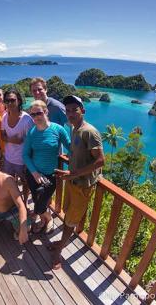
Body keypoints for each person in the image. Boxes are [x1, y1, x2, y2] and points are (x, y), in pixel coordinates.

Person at [49, 95, 105, 269]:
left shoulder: (89, 132)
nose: (71, 113)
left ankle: (59, 251)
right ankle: (61, 243)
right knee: (68, 214)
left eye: (75, 109)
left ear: (83, 110)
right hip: (73, 181)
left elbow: (100, 161)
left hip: (83, 185)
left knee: (71, 220)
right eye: (68, 110)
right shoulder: (74, 129)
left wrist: (73, 174)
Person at [23, 100, 70, 234]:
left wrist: (80, 162)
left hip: (50, 174)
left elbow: (71, 147)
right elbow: (25, 155)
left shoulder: (57, 129)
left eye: (39, 113)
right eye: (33, 115)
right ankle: (45, 219)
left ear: (46, 112)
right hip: (33, 174)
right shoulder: (32, 132)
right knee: (37, 198)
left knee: (40, 203)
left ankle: (47, 218)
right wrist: (35, 173)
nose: (36, 117)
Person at [0, 90, 34, 202]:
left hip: (22, 160)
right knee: (9, 182)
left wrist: (28, 162)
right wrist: (14, 140)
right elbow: (3, 136)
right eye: (7, 101)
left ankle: (24, 202)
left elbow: (31, 142)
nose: (9, 103)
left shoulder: (27, 120)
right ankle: (13, 202)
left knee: (26, 183)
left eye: (12, 100)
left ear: (19, 101)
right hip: (9, 158)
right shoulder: (4, 117)